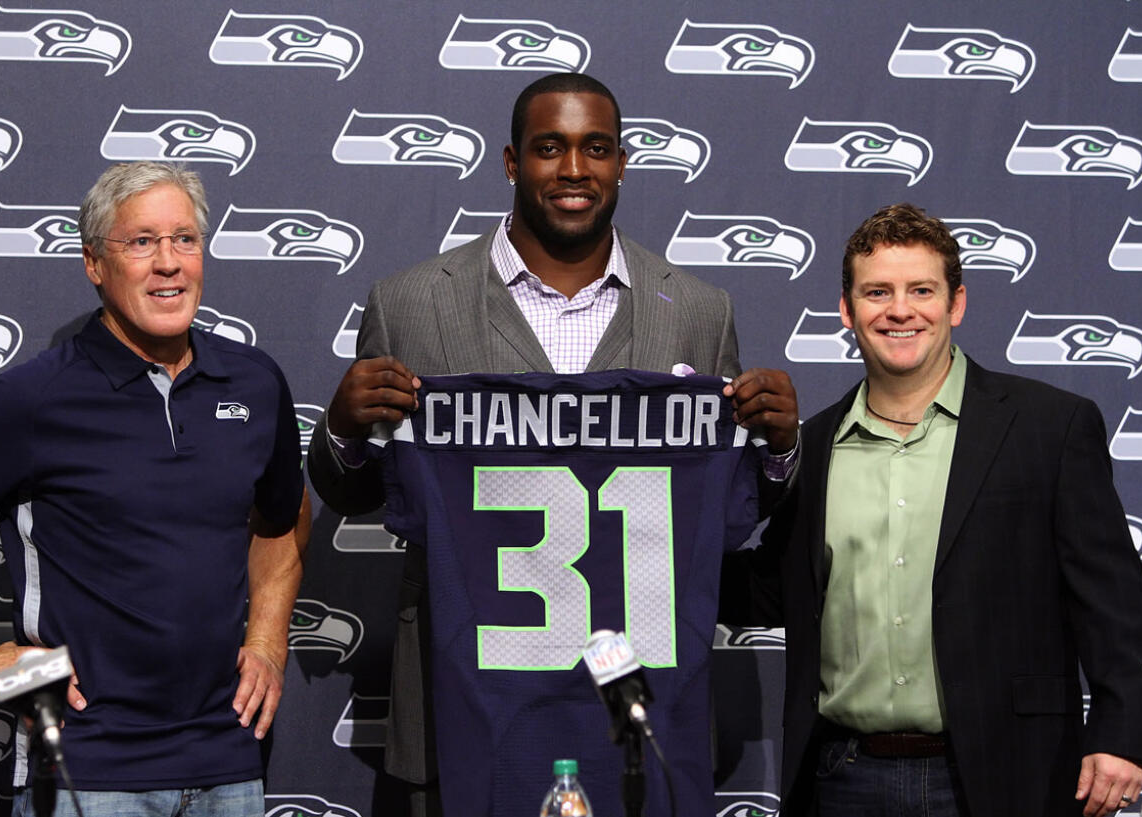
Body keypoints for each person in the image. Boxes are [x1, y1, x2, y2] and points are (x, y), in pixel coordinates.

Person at [307, 72, 800, 815]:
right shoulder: (409, 301)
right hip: (465, 702)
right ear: (512, 162)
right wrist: (344, 427)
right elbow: (358, 491)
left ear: (623, 162)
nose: (574, 170)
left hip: (638, 699)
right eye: (550, 148)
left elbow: (723, 512)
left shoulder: (699, 310)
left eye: (596, 149)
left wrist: (776, 448)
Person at [720, 202, 1142, 817]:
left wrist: (1120, 730)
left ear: (956, 304)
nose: (900, 310)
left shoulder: (1049, 428)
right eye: (878, 292)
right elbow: (772, 588)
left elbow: (1113, 601)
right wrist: (647, 554)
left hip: (1008, 773)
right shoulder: (811, 447)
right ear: (847, 311)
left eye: (921, 289)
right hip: (842, 779)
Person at [0, 161, 311, 817]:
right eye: (141, 242)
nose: (169, 262)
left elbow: (282, 520)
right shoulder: (36, 398)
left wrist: (268, 642)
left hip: (229, 768)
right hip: (87, 772)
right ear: (93, 263)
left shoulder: (253, 384)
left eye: (185, 239)